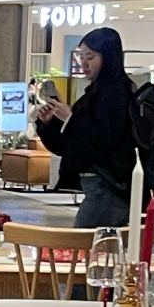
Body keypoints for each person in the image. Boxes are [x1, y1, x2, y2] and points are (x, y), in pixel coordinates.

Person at [35, 26, 136, 230]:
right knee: (94, 244)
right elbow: (68, 146)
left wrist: (70, 119)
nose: (84, 63)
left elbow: (104, 140)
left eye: (90, 57)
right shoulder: (95, 93)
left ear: (109, 57)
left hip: (108, 186)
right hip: (97, 187)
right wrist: (50, 124)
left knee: (86, 243)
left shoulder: (116, 92)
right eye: (81, 57)